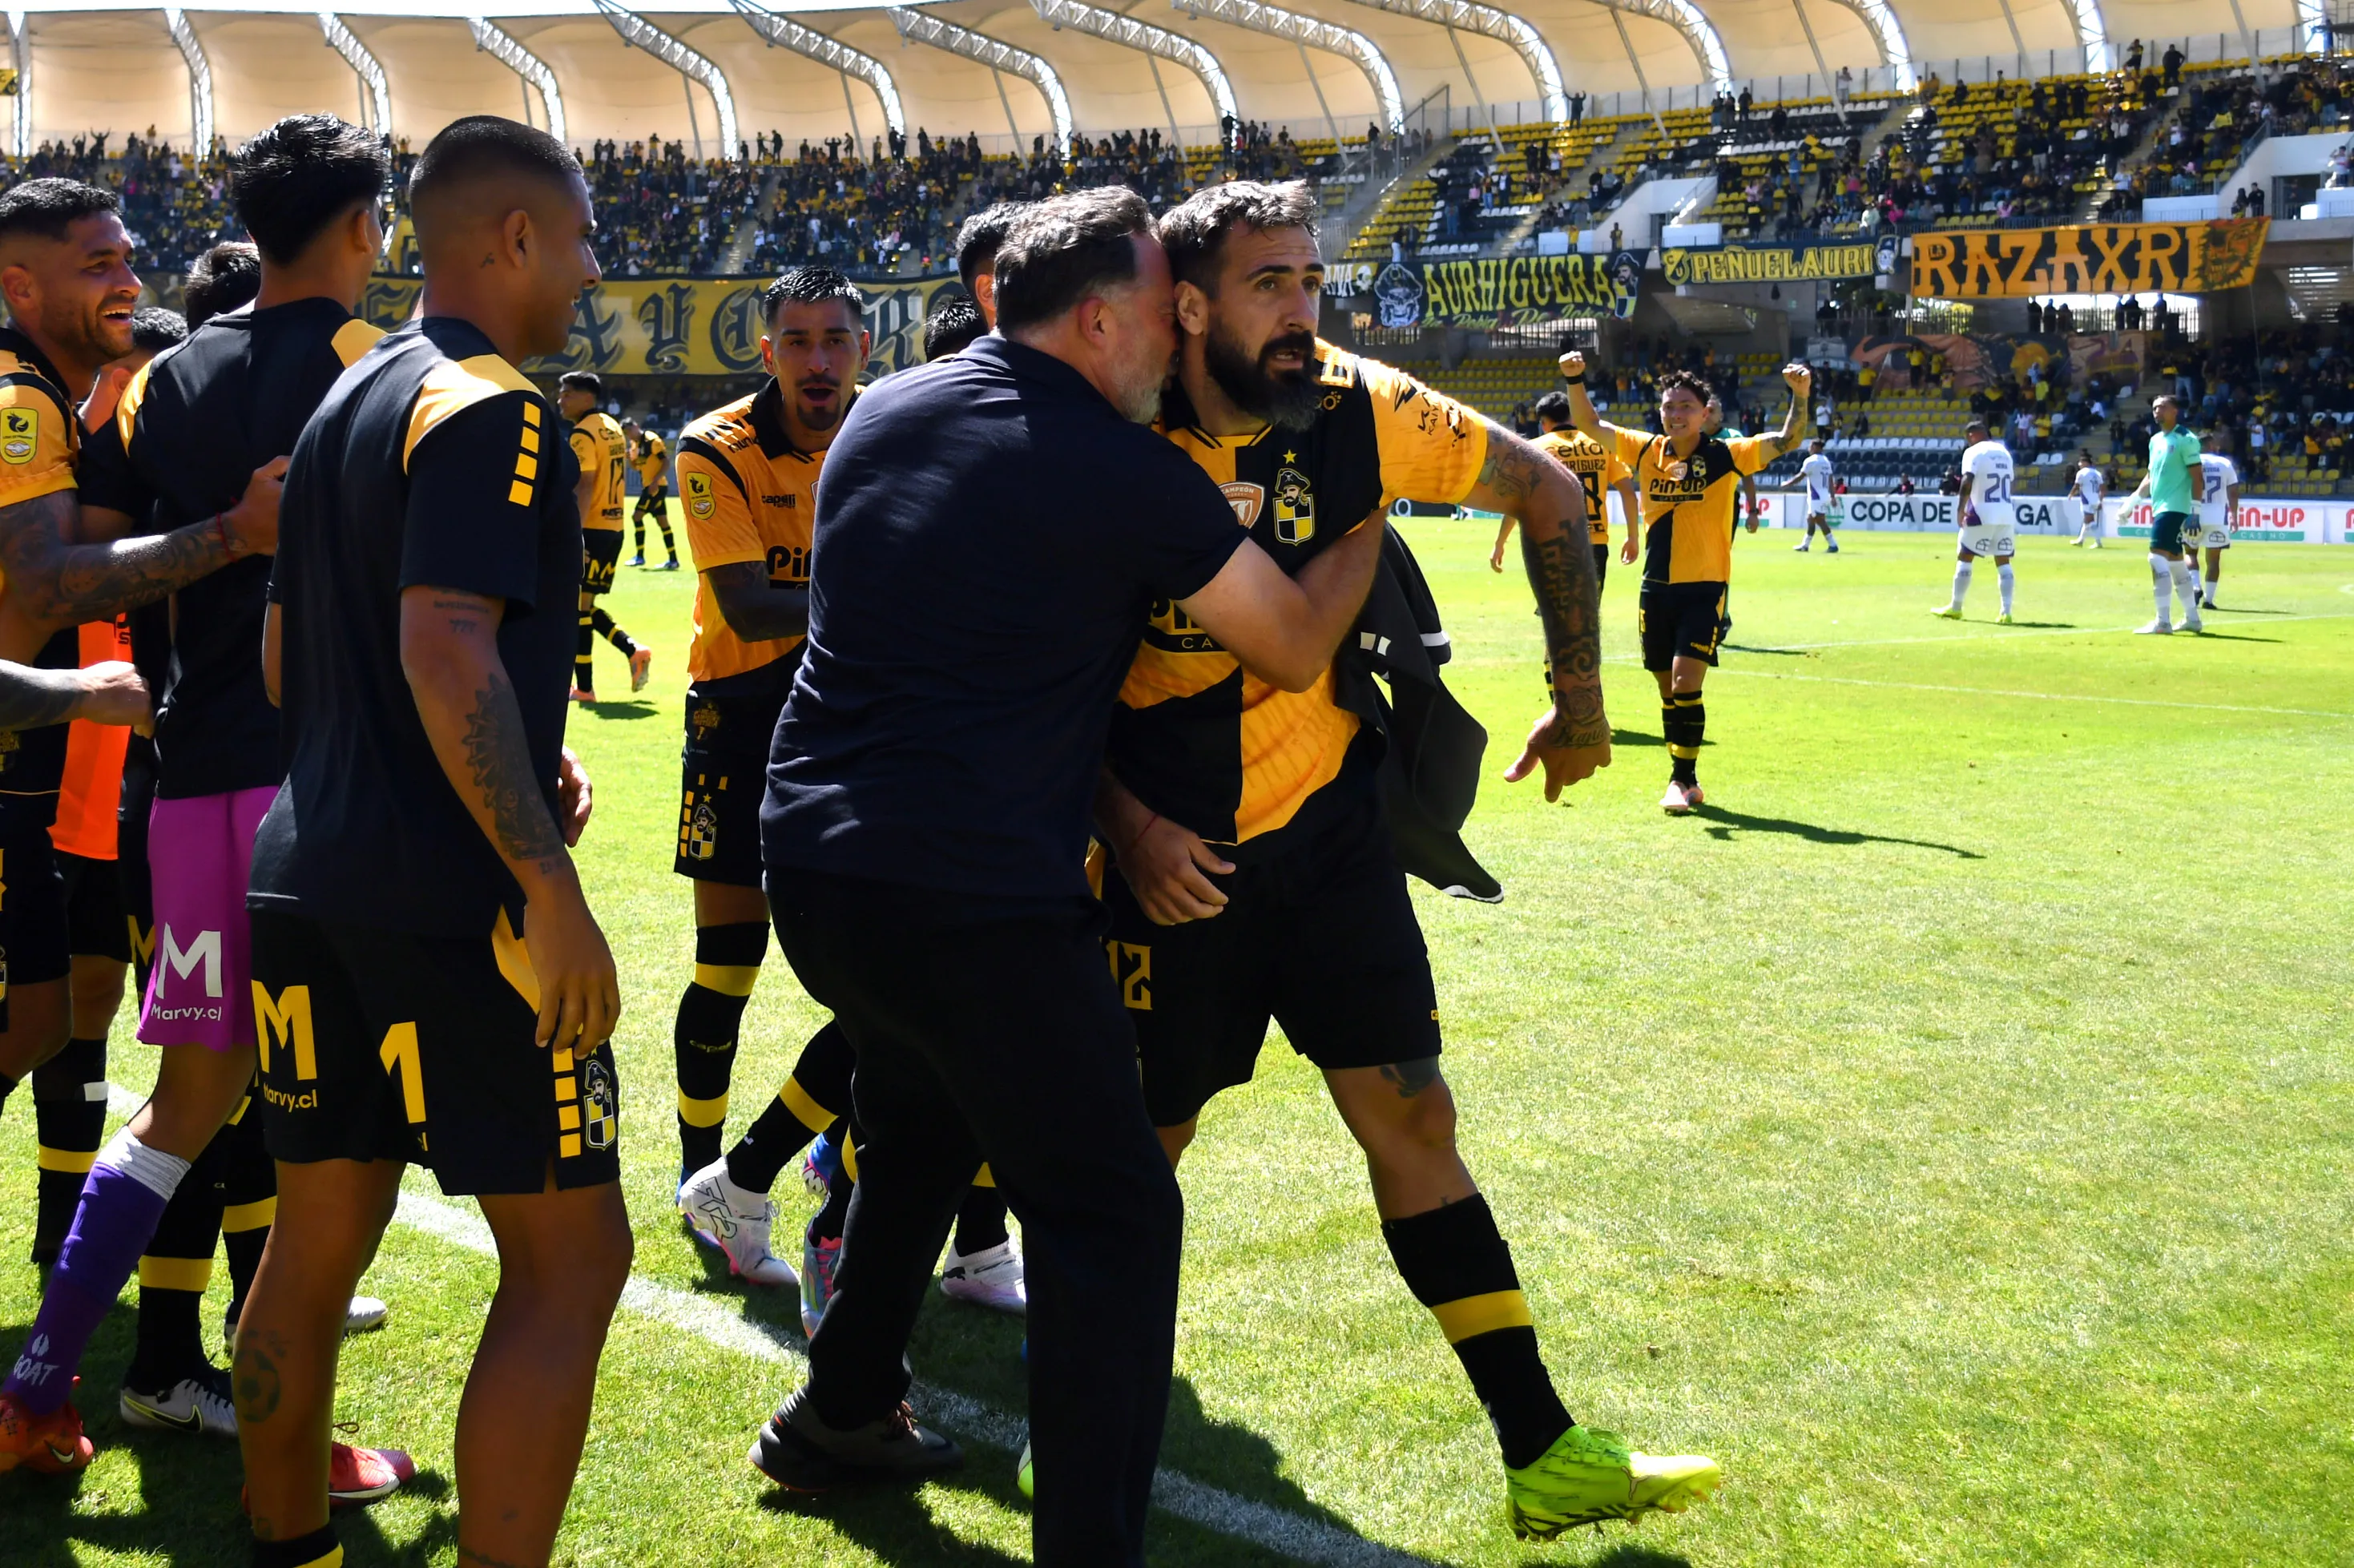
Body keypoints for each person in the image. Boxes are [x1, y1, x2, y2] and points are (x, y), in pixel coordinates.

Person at [746, 187, 1389, 1567]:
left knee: (918, 1123)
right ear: (1098, 319)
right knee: (1111, 1211)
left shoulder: (888, 408)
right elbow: (1282, 643)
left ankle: (840, 1409)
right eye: (1165, 314)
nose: (1177, 340)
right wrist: (1359, 526)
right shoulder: (1117, 466)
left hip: (814, 864)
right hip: (970, 894)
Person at [1094, 181, 1709, 1542]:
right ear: (1188, 303)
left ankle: (1541, 1448)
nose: (1302, 310)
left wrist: (1581, 689)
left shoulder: (1363, 407)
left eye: (1310, 280)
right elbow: (1017, 668)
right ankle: (1086, 1444)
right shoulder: (1114, 425)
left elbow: (1547, 491)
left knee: (1413, 1116)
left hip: (1324, 837)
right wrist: (1121, 821)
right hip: (1168, 854)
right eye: (1269, 285)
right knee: (1141, 1156)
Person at [232, 115, 628, 1568]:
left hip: (300, 869)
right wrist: (544, 874)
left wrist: (522, 756)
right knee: (575, 1257)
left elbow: (290, 662)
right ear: (512, 236)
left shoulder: (345, 401)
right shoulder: (491, 403)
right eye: (578, 239)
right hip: (452, 904)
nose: (588, 272)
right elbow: (446, 648)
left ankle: (286, 1541)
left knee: (317, 1230)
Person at [0, 176, 296, 1477]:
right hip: (271, 795)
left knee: (164, 1091)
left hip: (168, 787)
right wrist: (238, 531)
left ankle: (60, 1375)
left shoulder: (111, 425)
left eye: (131, 255)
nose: (124, 275)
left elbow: (76, 579)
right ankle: (242, 1401)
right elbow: (47, 585)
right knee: (309, 1117)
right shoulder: (28, 407)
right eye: (95, 259)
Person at [679, 281, 1025, 1332]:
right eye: (798, 341)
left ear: (864, 346)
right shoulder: (714, 444)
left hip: (857, 712)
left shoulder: (890, 426)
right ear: (768, 348)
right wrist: (902, 586)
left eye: (836, 339)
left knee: (896, 979)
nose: (818, 359)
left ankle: (843, 1188)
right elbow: (746, 603)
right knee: (728, 964)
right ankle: (708, 1176)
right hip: (741, 711)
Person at [30, 305, 182, 1269]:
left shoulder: (177, 486)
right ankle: (65, 1236)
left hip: (147, 798)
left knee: (119, 1012)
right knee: (55, 1012)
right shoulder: (51, 482)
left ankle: (75, 1239)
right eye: (131, 380)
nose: (138, 402)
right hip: (52, 796)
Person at [1558, 349, 1809, 814]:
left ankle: (1683, 778)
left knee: (1684, 681)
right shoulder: (1645, 449)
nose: (1676, 415)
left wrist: (1800, 395)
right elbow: (1591, 425)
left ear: (1705, 413)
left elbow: (1787, 439)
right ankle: (1683, 775)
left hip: (1705, 587)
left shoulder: (1727, 455)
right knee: (1666, 689)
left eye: (1686, 407)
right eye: (1670, 407)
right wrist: (1576, 379)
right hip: (1656, 589)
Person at [560, 370, 651, 702]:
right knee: (583, 606)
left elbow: (585, 483)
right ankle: (632, 650)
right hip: (614, 527)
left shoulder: (582, 434)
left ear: (587, 397)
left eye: (567, 393)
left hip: (592, 528)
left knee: (578, 610)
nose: (560, 399)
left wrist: (576, 536)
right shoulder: (611, 426)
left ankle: (585, 688)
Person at [1509, 389, 1637, 595]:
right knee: (1588, 614)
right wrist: (1633, 537)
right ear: (1573, 415)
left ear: (1544, 423)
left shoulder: (1535, 449)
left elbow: (1517, 499)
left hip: (1553, 543)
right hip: (1595, 542)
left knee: (1557, 615)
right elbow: (1629, 493)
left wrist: (1500, 542)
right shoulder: (1601, 445)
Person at [2126, 393, 2203, 634]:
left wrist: (2195, 511)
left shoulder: (2186, 439)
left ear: (2175, 411)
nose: (2157, 411)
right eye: (2154, 407)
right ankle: (2192, 618)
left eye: (2162, 407)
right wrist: (2132, 502)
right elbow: (2150, 477)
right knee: (2176, 563)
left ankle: (2162, 621)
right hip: (2161, 506)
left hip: (2175, 507)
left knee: (2155, 558)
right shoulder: (2155, 440)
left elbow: (2197, 476)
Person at [1933, 419, 2019, 623]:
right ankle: (2006, 612)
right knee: (2003, 561)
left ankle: (1956, 607)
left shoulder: (1974, 452)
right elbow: (2011, 482)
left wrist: (1960, 509)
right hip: (2006, 513)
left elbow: (1967, 480)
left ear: (1971, 435)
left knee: (1965, 556)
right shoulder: (2005, 453)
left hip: (1981, 513)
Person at [622, 416, 679, 569]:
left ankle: (640, 557)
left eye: (630, 430)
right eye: (627, 433)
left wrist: (655, 482)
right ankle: (673, 560)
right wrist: (630, 460)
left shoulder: (652, 440)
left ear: (636, 426)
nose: (630, 435)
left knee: (636, 516)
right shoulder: (635, 445)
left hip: (656, 487)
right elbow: (637, 467)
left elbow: (666, 462)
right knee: (663, 522)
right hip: (650, 486)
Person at [2191, 441, 2239, 610]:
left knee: (2190, 554)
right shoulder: (2225, 464)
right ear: (2212, 445)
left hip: (2193, 514)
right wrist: (2233, 514)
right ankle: (2209, 601)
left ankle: (2195, 587)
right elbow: (2233, 492)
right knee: (2214, 560)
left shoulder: (2191, 461)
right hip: (2218, 517)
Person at [1796, 438, 1840, 553]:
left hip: (1816, 496)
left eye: (1811, 446)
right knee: (1811, 520)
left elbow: (1801, 476)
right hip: (1823, 495)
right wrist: (1833, 496)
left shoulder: (1811, 461)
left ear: (1816, 448)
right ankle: (1805, 545)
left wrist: (1787, 483)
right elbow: (1830, 480)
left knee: (1819, 520)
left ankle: (1833, 545)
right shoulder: (1826, 461)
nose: (1809, 448)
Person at [2070, 449, 2106, 547]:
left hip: (2086, 500)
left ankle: (2098, 542)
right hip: (2095, 500)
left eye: (2081, 462)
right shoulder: (2097, 473)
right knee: (2087, 521)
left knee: (2090, 521)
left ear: (2085, 462)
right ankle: (2080, 540)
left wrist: (2071, 494)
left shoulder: (2081, 473)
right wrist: (2100, 501)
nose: (2079, 464)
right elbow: (2103, 489)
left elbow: (2076, 486)